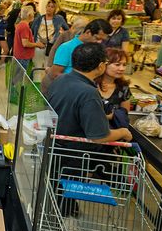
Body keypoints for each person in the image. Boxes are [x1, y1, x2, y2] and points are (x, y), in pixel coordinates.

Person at [47, 43, 132, 217]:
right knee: (64, 192)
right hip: (73, 155)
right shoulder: (88, 92)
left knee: (57, 189)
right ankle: (59, 221)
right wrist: (123, 132)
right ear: (101, 66)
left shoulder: (61, 79)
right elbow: (99, 136)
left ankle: (61, 213)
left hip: (56, 147)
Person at [47, 19, 112, 80]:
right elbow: (55, 74)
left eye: (102, 40)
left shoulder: (98, 50)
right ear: (88, 32)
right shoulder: (67, 47)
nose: (99, 42)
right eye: (97, 38)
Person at [96, 48, 132, 128]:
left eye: (124, 65)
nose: (122, 68)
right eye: (117, 64)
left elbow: (124, 115)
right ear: (103, 65)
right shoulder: (91, 85)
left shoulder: (123, 88)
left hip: (114, 132)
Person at [31, 0, 68, 75]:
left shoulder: (59, 19)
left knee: (48, 67)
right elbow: (31, 31)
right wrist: (34, 43)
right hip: (38, 47)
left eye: (52, 7)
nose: (49, 8)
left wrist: (61, 38)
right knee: (37, 67)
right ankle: (36, 83)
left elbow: (67, 30)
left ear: (55, 9)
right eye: (48, 6)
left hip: (51, 47)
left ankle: (46, 83)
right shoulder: (39, 19)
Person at [13, 7, 44, 74]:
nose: (34, 15)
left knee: (17, 76)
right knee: (19, 78)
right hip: (23, 56)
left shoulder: (21, 24)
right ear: (29, 15)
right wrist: (37, 44)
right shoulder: (24, 26)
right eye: (33, 13)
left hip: (20, 55)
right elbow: (25, 43)